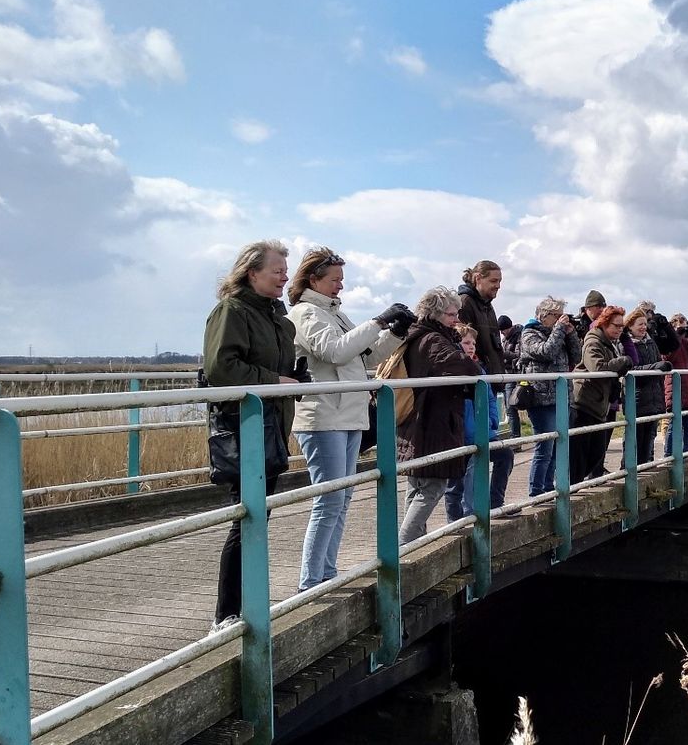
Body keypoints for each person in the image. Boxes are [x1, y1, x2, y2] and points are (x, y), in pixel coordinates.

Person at [287, 247, 413, 592]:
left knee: (342, 498)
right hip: (323, 414)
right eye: (335, 279)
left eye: (342, 279)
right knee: (328, 498)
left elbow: (364, 355)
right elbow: (335, 351)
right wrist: (378, 321)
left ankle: (326, 572)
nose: (340, 286)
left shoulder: (334, 313)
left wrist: (396, 333)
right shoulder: (306, 314)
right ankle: (310, 580)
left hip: (349, 413)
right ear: (314, 279)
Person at [203, 240, 299, 632]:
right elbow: (221, 368)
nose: (284, 277)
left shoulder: (278, 318)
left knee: (258, 518)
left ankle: (247, 606)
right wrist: (274, 381)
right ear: (251, 272)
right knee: (246, 518)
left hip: (272, 427)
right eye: (277, 270)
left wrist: (293, 379)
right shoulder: (232, 311)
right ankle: (225, 613)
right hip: (245, 428)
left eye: (285, 270)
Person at [397, 287, 483, 544]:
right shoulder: (433, 339)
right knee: (432, 487)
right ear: (435, 314)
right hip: (432, 422)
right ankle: (402, 546)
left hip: (417, 421)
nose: (456, 319)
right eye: (451, 314)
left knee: (417, 486)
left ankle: (411, 544)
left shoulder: (415, 336)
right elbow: (465, 366)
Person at [442, 324, 516, 519]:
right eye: (466, 342)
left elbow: (489, 397)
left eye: (473, 343)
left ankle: (495, 503)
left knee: (505, 455)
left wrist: (493, 419)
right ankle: (456, 520)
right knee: (457, 480)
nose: (472, 346)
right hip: (461, 434)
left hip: (482, 432)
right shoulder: (454, 369)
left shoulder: (479, 368)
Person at [518, 296, 582, 496]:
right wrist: (559, 330)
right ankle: (535, 491)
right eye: (556, 315)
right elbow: (546, 352)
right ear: (544, 316)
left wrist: (570, 334)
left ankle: (548, 486)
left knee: (557, 448)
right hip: (541, 398)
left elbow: (577, 357)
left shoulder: (559, 333)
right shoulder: (529, 333)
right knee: (544, 448)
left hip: (562, 397)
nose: (560, 319)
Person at [570, 305, 633, 482]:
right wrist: (621, 362)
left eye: (622, 326)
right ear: (605, 324)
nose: (620, 330)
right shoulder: (593, 340)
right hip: (584, 403)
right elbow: (596, 368)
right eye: (616, 326)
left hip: (599, 404)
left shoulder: (610, 342)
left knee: (596, 452)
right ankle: (572, 489)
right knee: (580, 453)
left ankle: (577, 484)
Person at [621, 309, 672, 465]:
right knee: (634, 437)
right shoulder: (626, 344)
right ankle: (628, 470)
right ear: (630, 325)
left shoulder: (651, 342)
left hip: (654, 396)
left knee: (649, 437)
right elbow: (630, 371)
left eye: (645, 324)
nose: (643, 327)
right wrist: (656, 367)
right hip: (637, 397)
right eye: (639, 324)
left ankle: (643, 469)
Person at [457, 260, 505, 381]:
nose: (498, 286)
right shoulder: (465, 302)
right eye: (493, 281)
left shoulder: (488, 306)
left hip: (493, 377)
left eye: (499, 281)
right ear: (478, 278)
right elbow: (462, 342)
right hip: (478, 378)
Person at [663, 313, 688, 458]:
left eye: (684, 324)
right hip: (675, 386)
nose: (682, 327)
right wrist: (677, 336)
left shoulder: (687, 340)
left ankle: (687, 453)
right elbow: (668, 358)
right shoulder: (668, 340)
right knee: (674, 423)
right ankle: (669, 454)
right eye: (679, 325)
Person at [498, 315, 523, 438]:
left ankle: (515, 436)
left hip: (515, 374)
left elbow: (519, 355)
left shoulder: (520, 336)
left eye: (503, 330)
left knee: (512, 407)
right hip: (508, 374)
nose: (502, 333)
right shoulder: (505, 339)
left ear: (509, 327)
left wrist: (502, 354)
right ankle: (515, 436)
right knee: (510, 408)